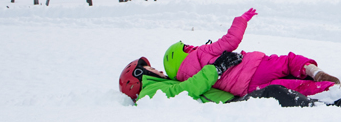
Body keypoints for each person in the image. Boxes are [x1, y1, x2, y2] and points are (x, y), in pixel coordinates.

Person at [163, 8, 341, 99]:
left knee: (288, 87)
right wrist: (241, 20)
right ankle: (313, 71)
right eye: (186, 46)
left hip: (248, 89)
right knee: (288, 62)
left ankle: (328, 89)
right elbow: (230, 40)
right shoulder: (201, 52)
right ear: (183, 52)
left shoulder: (190, 80)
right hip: (256, 65)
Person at [118, 56, 316, 107]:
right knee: (273, 92)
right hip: (225, 108)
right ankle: (321, 109)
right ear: (137, 78)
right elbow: (186, 90)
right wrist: (216, 68)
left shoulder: (159, 86)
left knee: (273, 85)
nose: (157, 69)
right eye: (150, 69)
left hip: (228, 101)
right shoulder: (150, 93)